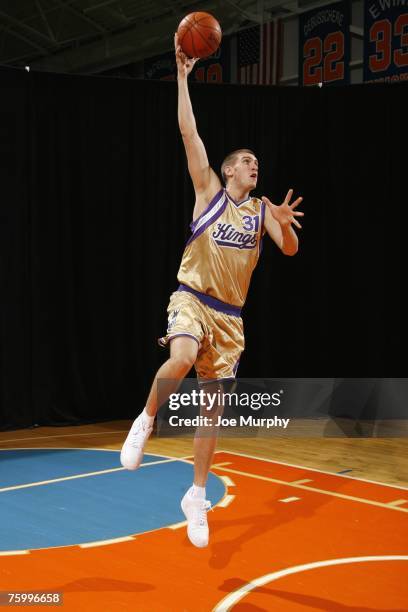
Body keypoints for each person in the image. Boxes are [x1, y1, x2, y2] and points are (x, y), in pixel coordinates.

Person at [120, 33, 304, 548]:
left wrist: (285, 225)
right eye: (247, 162)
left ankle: (195, 497)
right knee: (179, 358)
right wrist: (181, 77)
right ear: (227, 170)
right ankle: (146, 418)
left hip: (231, 318)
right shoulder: (208, 191)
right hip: (192, 298)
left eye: (256, 164)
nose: (254, 166)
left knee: (210, 415)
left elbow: (288, 251)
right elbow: (189, 132)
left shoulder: (264, 209)